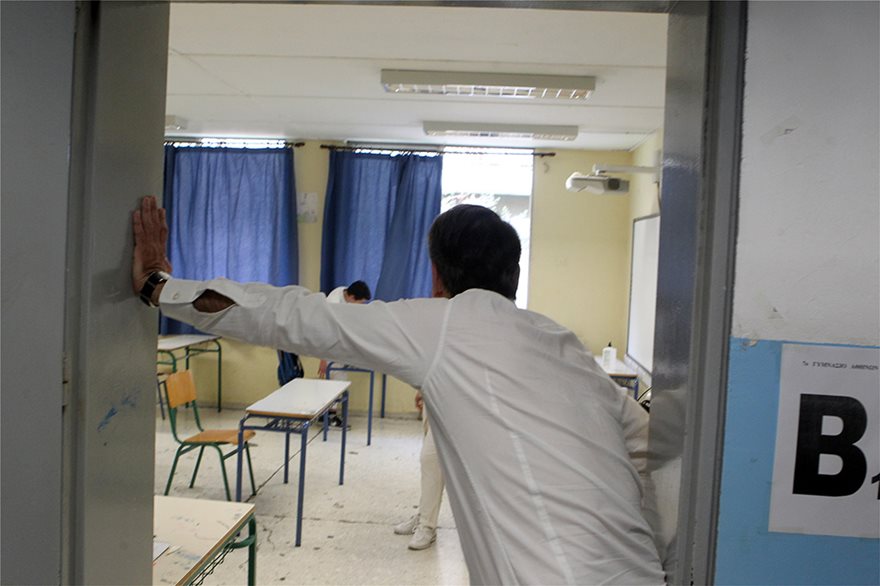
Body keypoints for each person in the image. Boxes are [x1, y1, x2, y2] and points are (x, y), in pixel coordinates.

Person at [132, 196, 664, 585]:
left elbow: (286, 315)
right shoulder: (563, 342)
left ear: (437, 277)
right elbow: (649, 449)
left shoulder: (442, 324)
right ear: (515, 275)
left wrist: (158, 285)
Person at [393, 391, 445, 551]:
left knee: (430, 459)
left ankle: (427, 525)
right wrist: (421, 389)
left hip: (458, 395)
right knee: (431, 460)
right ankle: (425, 516)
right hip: (436, 393)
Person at [318, 280, 371, 426]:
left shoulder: (345, 291)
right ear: (352, 298)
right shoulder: (334, 303)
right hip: (328, 344)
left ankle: (328, 414)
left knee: (339, 379)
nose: (361, 306)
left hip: (337, 345)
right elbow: (325, 332)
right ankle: (329, 416)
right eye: (360, 302)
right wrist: (323, 358)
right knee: (336, 379)